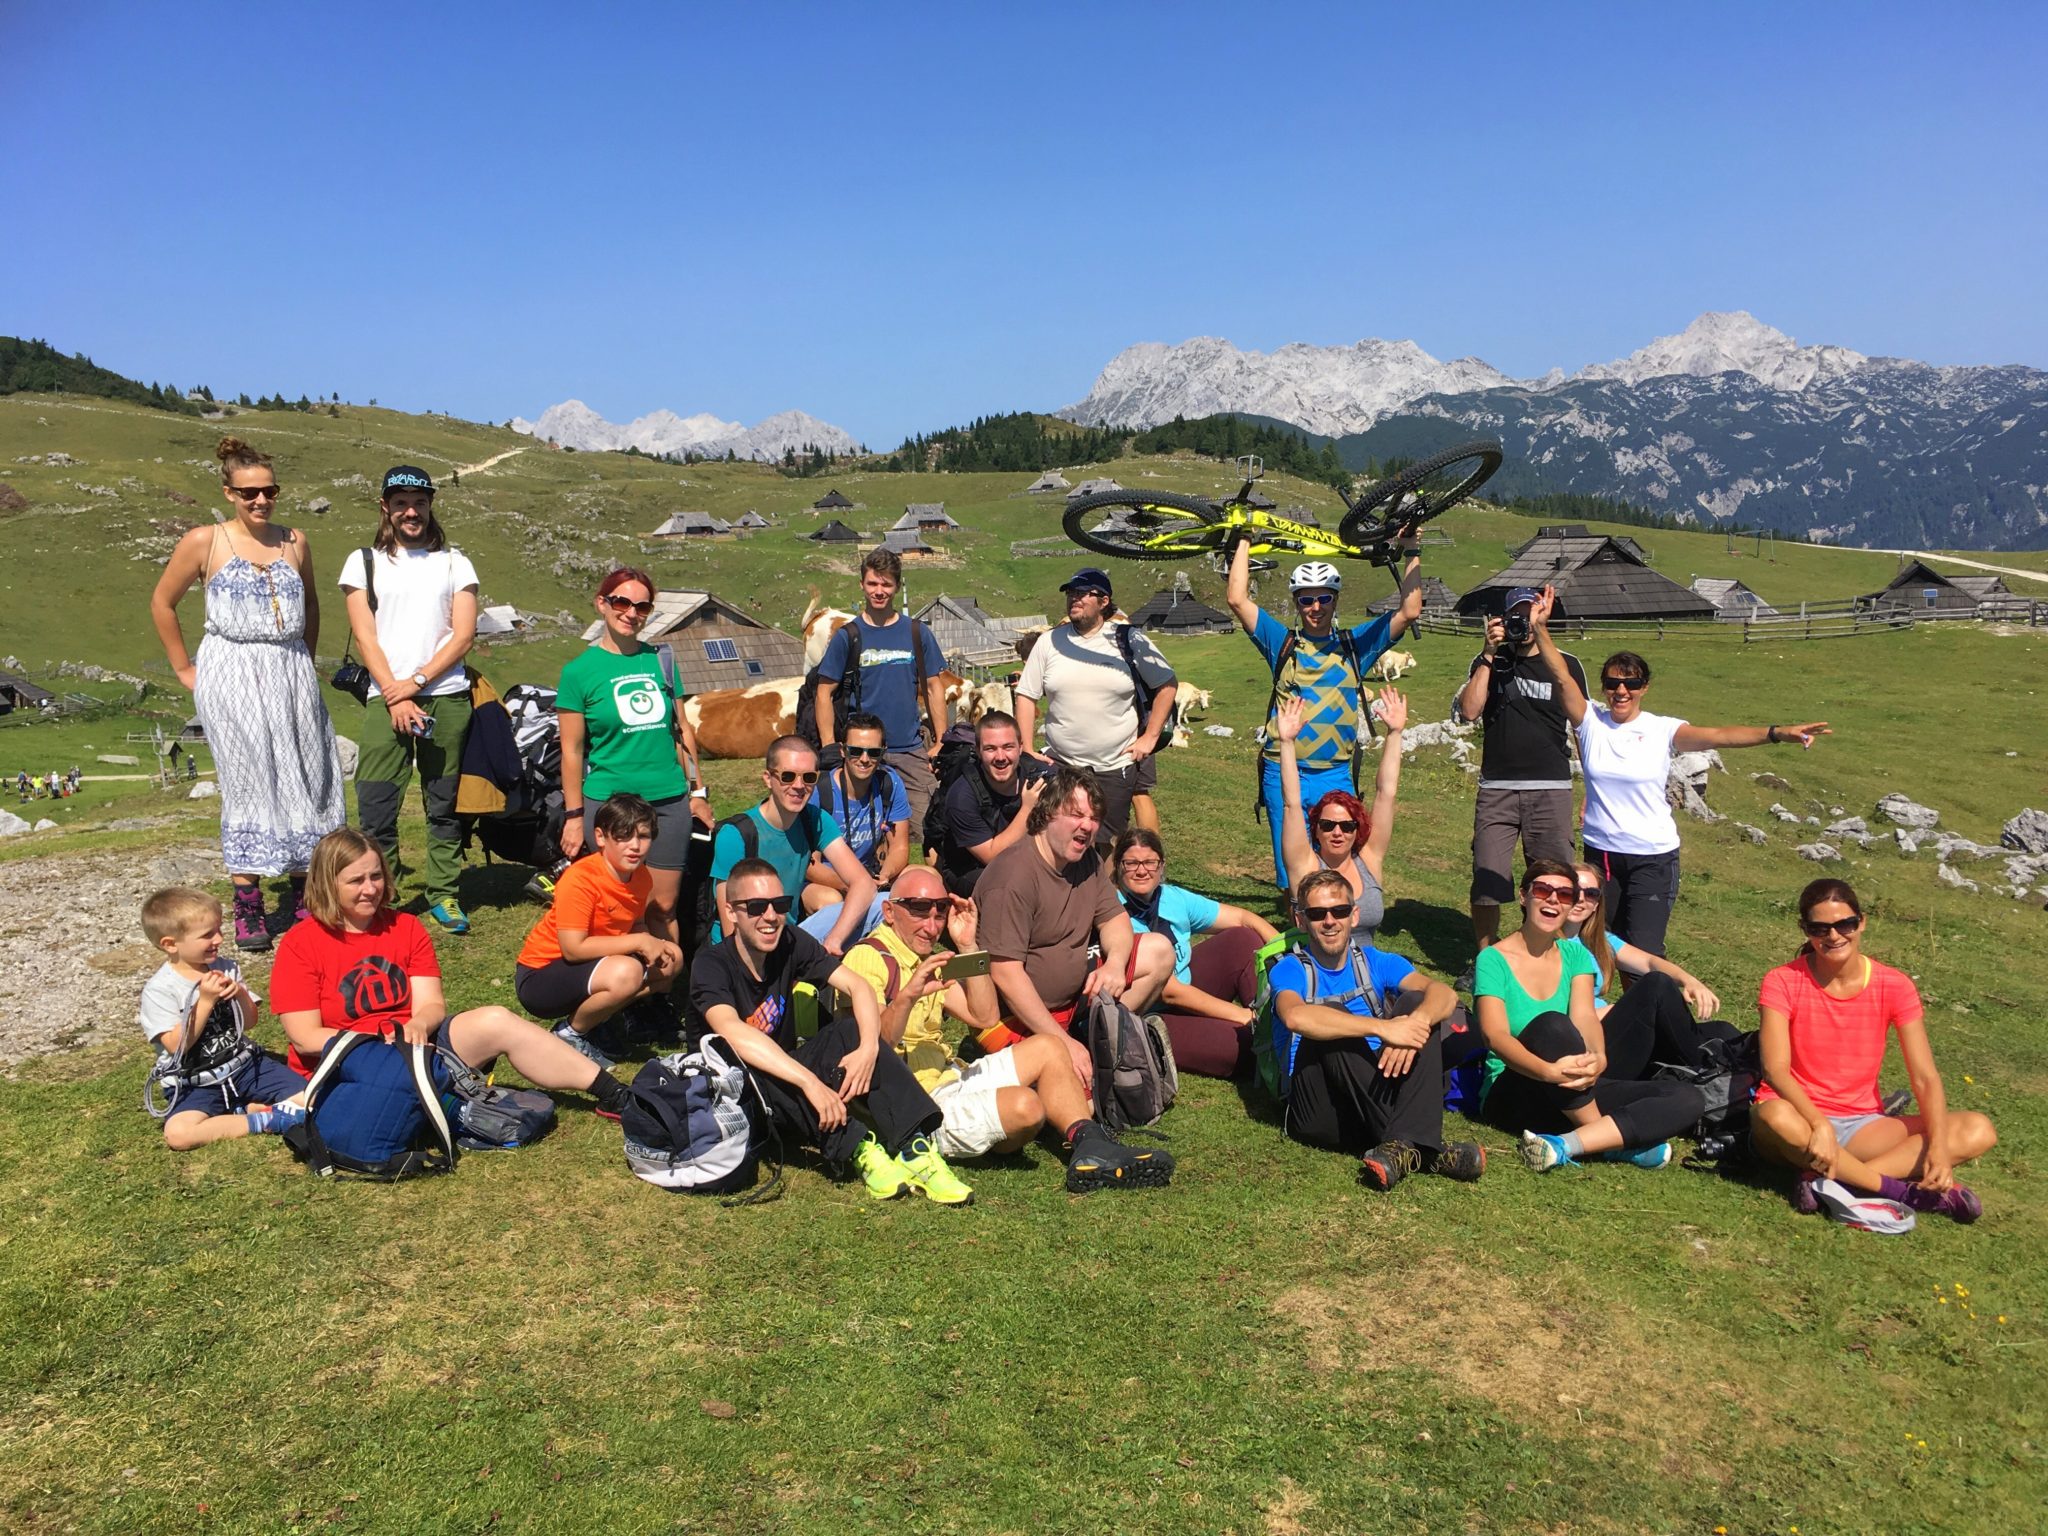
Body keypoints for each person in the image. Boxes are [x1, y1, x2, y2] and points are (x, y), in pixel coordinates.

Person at [1529, 585, 1830, 955]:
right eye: (1613, 683)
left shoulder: (1663, 729)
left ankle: (1645, 1011)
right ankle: (1592, 1011)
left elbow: (1720, 735)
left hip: (1652, 857)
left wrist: (1778, 733)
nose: (1621, 690)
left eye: (1632, 683)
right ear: (1605, 687)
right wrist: (1541, 628)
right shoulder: (1590, 722)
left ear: (1645, 687)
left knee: (1642, 949)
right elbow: (1562, 678)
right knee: (1589, 945)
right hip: (1600, 855)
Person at [271, 828, 634, 1118]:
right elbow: (305, 1038)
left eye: (376, 876)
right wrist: (381, 1040)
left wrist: (417, 1024)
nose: (370, 889)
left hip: (415, 1045)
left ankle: (612, 1094)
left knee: (496, 1019)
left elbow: (431, 1005)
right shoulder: (301, 943)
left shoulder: (405, 927)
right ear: (327, 883)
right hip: (347, 1061)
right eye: (355, 881)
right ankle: (450, 1098)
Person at [847, 866, 1170, 1190]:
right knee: (1027, 1108)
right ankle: (1033, 1123)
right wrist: (908, 996)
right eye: (919, 909)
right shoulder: (868, 958)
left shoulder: (925, 957)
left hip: (950, 1077)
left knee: (1050, 1046)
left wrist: (970, 947)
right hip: (914, 1106)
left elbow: (984, 1016)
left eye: (940, 911)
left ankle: (1090, 1144)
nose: (931, 925)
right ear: (889, 911)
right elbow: (875, 1046)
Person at [148, 436, 345, 949]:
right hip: (231, 667)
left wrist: (303, 657)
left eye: (269, 491)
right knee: (247, 777)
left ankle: (307, 896)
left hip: (290, 667)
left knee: (310, 772)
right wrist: (185, 669)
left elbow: (313, 605)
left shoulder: (295, 541)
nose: (261, 501)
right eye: (249, 493)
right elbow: (163, 603)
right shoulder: (205, 540)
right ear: (229, 492)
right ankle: (249, 903)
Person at [689, 859, 972, 1204]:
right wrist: (810, 1082)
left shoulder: (789, 940)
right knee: (763, 1074)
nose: (770, 917)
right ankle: (860, 1148)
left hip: (783, 1072)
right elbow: (731, 1033)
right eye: (756, 907)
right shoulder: (711, 964)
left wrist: (868, 1046)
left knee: (850, 1030)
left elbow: (859, 987)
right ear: (732, 913)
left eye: (779, 905)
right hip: (731, 1094)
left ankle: (917, 1149)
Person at [1750, 878, 1994, 1223]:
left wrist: (1938, 1149)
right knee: (1773, 1116)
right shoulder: (1781, 980)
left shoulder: (1894, 985)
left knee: (1977, 1129)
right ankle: (1896, 1190)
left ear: (1861, 922)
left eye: (1844, 924)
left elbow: (1924, 1077)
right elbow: (1775, 1069)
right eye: (1820, 928)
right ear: (1805, 930)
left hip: (1861, 1125)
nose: (1833, 936)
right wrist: (1818, 1123)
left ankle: (1835, 1183)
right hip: (1797, 1117)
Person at [1472, 860, 1707, 1173]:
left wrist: (1598, 1057)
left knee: (1687, 1097)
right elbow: (1494, 1035)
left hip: (1573, 1084)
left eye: (1565, 895)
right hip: (1516, 1090)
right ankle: (1613, 1144)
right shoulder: (1493, 959)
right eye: (1543, 890)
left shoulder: (1576, 955)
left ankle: (1568, 1144)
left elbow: (1585, 1017)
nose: (1553, 899)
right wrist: (1547, 1072)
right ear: (1523, 896)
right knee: (1552, 1025)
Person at [1227, 526, 1424, 887]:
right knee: (1291, 870)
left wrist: (1412, 549)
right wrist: (1243, 540)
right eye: (1306, 600)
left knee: (1339, 868)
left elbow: (1410, 610)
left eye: (1324, 599)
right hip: (1282, 770)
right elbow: (1238, 599)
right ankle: (1298, 934)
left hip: (1335, 772)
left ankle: (1334, 938)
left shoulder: (1356, 645)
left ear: (1335, 600)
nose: (1315, 608)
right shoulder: (1282, 642)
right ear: (1296, 602)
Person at [1267, 868, 1485, 1189]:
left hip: (1369, 1092)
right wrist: (1383, 1029)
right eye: (1317, 914)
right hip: (1317, 1108)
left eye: (1339, 911)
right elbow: (1295, 1017)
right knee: (1330, 1016)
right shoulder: (1290, 968)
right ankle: (1428, 1150)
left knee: (1416, 1002)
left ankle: (1399, 1147)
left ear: (1354, 915)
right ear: (1300, 920)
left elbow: (1445, 994)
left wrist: (1415, 1023)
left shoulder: (1376, 961)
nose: (1330, 921)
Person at [337, 465, 480, 933]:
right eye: (400, 503)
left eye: (418, 502)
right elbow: (365, 636)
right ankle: (384, 897)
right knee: (377, 803)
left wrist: (415, 683)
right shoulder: (363, 562)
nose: (410, 511)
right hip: (386, 699)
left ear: (431, 503)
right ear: (386, 507)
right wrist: (396, 696)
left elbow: (462, 637)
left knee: (444, 803)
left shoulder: (455, 562)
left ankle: (444, 893)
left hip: (447, 696)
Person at [978, 768, 1175, 1088]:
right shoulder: (1012, 877)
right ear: (1048, 813)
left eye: (1094, 817)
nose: (1088, 825)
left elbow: (1114, 918)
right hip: (1017, 1017)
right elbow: (1006, 975)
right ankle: (1075, 1050)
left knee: (1159, 952)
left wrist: (1114, 964)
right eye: (1077, 814)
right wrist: (1060, 1041)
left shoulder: (1086, 860)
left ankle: (1094, 1039)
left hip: (1075, 1000)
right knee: (1084, 1103)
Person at [557, 567, 711, 948]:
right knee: (623, 907)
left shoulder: (661, 661)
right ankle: (628, 989)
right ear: (602, 605)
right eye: (622, 602)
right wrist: (575, 816)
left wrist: (698, 793)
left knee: (663, 905)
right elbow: (572, 751)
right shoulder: (578, 672)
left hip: (669, 800)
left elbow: (682, 731)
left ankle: (663, 987)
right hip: (610, 803)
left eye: (642, 606)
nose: (631, 613)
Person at [1455, 586, 1587, 950]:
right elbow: (1469, 711)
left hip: (1552, 787)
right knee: (1487, 879)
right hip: (1497, 787)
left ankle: (1547, 956)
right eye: (1516, 615)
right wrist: (1487, 654)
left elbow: (1582, 728)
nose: (1522, 624)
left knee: (1553, 881)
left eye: (1530, 615)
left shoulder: (1566, 663)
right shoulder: (1489, 661)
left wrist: (1591, 790)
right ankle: (1486, 957)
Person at [514, 794, 683, 1067]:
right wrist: (639, 942)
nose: (635, 846)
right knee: (627, 972)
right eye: (623, 836)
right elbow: (573, 948)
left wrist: (648, 940)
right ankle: (570, 1033)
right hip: (542, 974)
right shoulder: (581, 879)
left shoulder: (641, 876)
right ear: (601, 838)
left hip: (594, 964)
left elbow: (635, 922)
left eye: (644, 836)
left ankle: (596, 1019)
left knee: (671, 959)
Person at [1014, 566, 1177, 841]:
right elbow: (1026, 695)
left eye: (1083, 593)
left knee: (1106, 842)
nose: (1074, 598)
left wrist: (1150, 737)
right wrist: (1027, 748)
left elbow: (1167, 685)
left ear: (1104, 602)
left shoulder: (1128, 639)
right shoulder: (1048, 642)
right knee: (1057, 837)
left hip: (1113, 767)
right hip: (1061, 764)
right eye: (1071, 593)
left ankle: (1107, 884)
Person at [137, 886, 307, 1149]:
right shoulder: (160, 989)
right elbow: (175, 1046)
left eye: (219, 929)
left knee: (312, 1098)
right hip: (196, 1082)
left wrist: (239, 993)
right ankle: (264, 1119)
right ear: (170, 944)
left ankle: (240, 1111)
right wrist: (205, 1002)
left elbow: (249, 1022)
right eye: (207, 935)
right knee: (179, 1135)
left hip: (245, 1066)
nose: (218, 938)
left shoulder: (226, 967)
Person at [1112, 828, 1279, 1079]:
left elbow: (1244, 918)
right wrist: (1243, 1016)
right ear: (1117, 867)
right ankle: (1267, 1033)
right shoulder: (1113, 914)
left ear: (1162, 865)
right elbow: (1169, 992)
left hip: (1188, 985)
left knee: (1242, 937)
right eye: (1131, 863)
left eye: (1150, 862)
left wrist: (1286, 952)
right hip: (1152, 1011)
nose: (1142, 870)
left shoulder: (1172, 897)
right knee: (1244, 1045)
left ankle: (1276, 1013)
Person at [814, 548, 949, 836]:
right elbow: (824, 692)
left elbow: (935, 686)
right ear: (862, 584)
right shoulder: (847, 636)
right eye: (873, 583)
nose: (879, 591)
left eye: (886, 584)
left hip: (909, 748)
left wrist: (941, 740)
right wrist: (829, 747)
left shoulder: (916, 632)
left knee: (930, 830)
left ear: (897, 587)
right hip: (861, 752)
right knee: (863, 832)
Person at [710, 736, 878, 952]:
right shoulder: (735, 835)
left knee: (884, 904)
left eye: (808, 777)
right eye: (788, 777)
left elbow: (863, 884)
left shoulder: (815, 819)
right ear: (768, 779)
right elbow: (730, 926)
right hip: (744, 945)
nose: (799, 786)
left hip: (789, 936)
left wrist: (834, 940)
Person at [1273, 690, 1406, 943]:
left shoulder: (1369, 860)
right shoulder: (1306, 866)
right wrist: (1287, 743)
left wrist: (1395, 733)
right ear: (1317, 830)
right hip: (1319, 973)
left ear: (1357, 830)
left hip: (1368, 972)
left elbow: (1385, 794)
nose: (1337, 832)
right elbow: (1291, 803)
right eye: (1328, 825)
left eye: (1347, 826)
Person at [1564, 861, 1723, 1034]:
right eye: (1573, 891)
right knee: (1655, 988)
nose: (1580, 898)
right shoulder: (1543, 944)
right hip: (1587, 1030)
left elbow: (1649, 962)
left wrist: (1689, 981)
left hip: (1610, 1023)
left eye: (1591, 893)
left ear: (1596, 904)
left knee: (1723, 1031)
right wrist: (1624, 1011)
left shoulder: (1598, 941)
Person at [932, 711, 1046, 896]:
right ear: (978, 751)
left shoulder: (1039, 776)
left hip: (1025, 861)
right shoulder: (962, 796)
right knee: (1011, 883)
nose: (1000, 757)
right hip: (972, 868)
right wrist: (1028, 809)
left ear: (1021, 748)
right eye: (990, 748)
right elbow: (992, 857)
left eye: (1008, 747)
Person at [805, 711, 910, 913]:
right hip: (829, 881)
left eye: (873, 752)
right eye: (855, 751)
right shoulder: (819, 792)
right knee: (830, 902)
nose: (864, 759)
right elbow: (810, 866)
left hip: (872, 873)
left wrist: (885, 875)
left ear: (883, 752)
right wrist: (855, 884)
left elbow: (900, 848)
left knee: (925, 876)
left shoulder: (890, 783)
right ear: (843, 750)